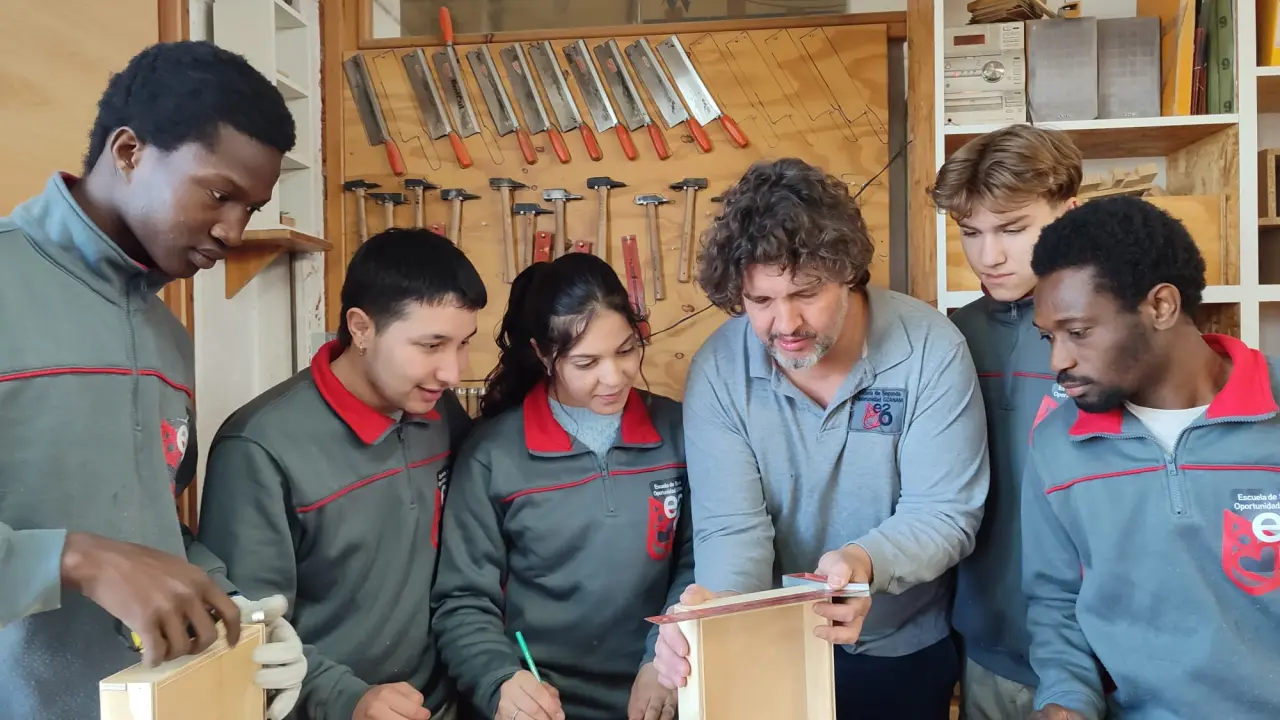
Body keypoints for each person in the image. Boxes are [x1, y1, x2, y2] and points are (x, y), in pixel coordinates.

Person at [0, 40, 305, 720]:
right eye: (220, 195)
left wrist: (231, 605)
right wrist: (72, 559)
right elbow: (106, 555)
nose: (233, 231)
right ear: (130, 151)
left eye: (251, 209)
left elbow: (154, 528)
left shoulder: (168, 337)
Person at [652, 157, 990, 719]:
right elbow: (733, 526)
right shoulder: (719, 369)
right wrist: (724, 612)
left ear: (848, 272)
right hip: (770, 645)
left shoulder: (930, 348)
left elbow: (945, 511)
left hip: (899, 645)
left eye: (806, 293)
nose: (786, 325)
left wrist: (865, 562)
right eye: (761, 302)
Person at [197, 228, 485, 720]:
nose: (452, 372)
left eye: (463, 345)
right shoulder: (259, 447)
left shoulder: (439, 411)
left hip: (438, 704)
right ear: (361, 328)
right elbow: (247, 627)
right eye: (431, 345)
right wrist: (346, 698)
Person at [1022, 196, 1280, 720]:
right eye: (1049, 337)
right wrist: (1066, 700)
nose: (1058, 360)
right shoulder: (1056, 445)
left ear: (1161, 306)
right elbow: (1055, 602)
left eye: (1078, 332)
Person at [432, 253, 692, 720]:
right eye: (586, 362)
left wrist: (665, 657)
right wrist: (499, 680)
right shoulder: (493, 455)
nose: (613, 377)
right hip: (540, 700)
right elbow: (463, 599)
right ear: (543, 354)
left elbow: (702, 559)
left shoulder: (678, 431)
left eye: (626, 350)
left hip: (659, 687)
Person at [929, 125, 1082, 720]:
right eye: (971, 232)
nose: (988, 256)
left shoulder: (1121, 337)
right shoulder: (952, 337)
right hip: (989, 646)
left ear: (1070, 214)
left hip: (1106, 650)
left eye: (1013, 229)